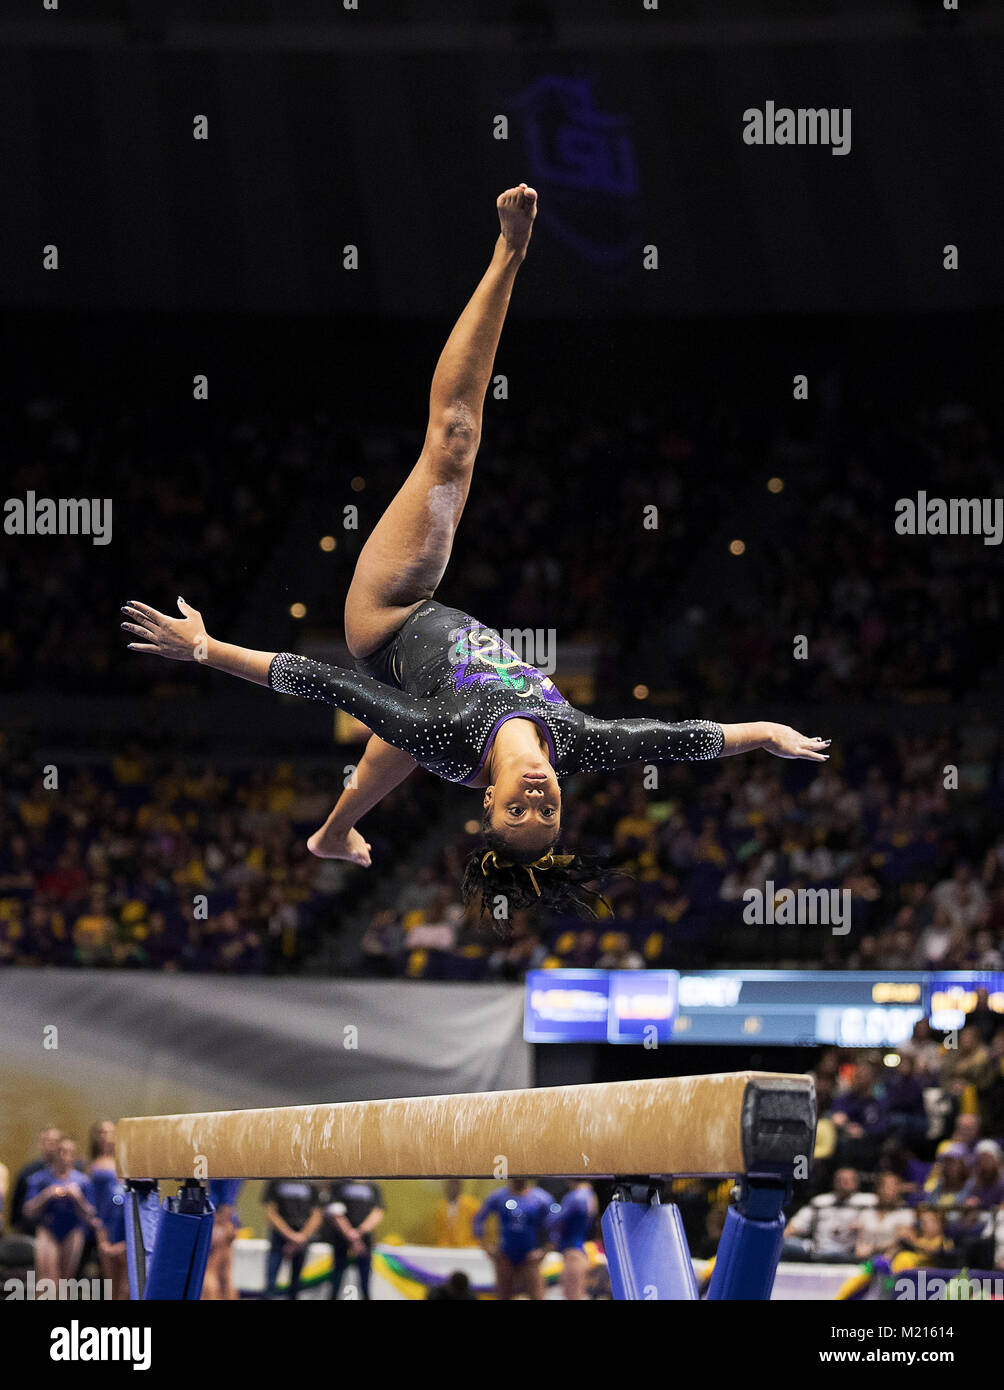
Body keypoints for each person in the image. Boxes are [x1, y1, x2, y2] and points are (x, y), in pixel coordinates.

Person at [120, 184, 830, 925]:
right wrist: (766, 735)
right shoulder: (577, 746)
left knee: (454, 441)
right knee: (386, 760)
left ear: (487, 801)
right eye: (545, 808)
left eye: (515, 809)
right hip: (429, 690)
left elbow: (321, 681)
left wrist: (204, 649)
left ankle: (508, 254)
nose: (534, 795)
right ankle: (331, 834)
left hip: (390, 618)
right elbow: (681, 738)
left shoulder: (449, 738)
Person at [22, 1137, 96, 1285]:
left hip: (73, 1231)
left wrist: (78, 1198)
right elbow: (28, 1211)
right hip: (48, 1229)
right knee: (47, 1280)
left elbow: (90, 1214)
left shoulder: (82, 1181)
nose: (65, 1156)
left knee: (65, 1281)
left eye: (69, 1152)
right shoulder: (40, 1178)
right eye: (61, 1151)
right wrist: (46, 1195)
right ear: (55, 1152)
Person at [473, 1177, 554, 1300]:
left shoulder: (541, 1198)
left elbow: (556, 1224)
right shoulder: (499, 1196)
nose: (518, 1179)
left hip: (530, 1258)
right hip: (505, 1256)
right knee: (504, 1295)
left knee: (537, 1294)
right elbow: (479, 1219)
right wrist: (486, 1247)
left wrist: (545, 1250)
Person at [781, 1167, 874, 1263]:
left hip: (847, 1252)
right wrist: (780, 1238)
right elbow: (796, 1225)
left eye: (848, 1180)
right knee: (781, 1244)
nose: (844, 1183)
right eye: (840, 1180)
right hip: (817, 1249)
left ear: (856, 1183)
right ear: (834, 1182)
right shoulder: (820, 1201)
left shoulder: (868, 1202)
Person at [87, 1120, 129, 1300]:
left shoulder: (126, 1160)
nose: (106, 1137)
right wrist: (100, 1234)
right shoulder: (92, 1165)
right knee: (112, 1283)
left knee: (127, 1286)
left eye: (110, 1132)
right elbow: (93, 1204)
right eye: (101, 1132)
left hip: (125, 1222)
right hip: (106, 1225)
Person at [262, 1178, 323, 1300]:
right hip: (279, 1237)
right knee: (270, 1283)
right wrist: (290, 1235)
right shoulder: (276, 1181)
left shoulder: (312, 1183)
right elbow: (271, 1213)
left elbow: (317, 1214)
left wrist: (302, 1236)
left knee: (296, 1284)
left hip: (302, 1237)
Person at [323, 1179, 384, 1300]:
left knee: (365, 1280)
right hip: (341, 1237)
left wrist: (359, 1232)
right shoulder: (339, 1184)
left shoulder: (373, 1185)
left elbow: (378, 1211)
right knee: (337, 1277)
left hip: (364, 1239)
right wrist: (350, 1233)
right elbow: (335, 1212)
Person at [547, 1181, 598, 1301]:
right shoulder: (589, 1195)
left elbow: (556, 1221)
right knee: (575, 1293)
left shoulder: (576, 1197)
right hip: (578, 1250)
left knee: (572, 1294)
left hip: (573, 1252)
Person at [9, 1128, 61, 1235]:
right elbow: (17, 1207)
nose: (52, 1147)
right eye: (48, 1141)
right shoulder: (28, 1173)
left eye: (56, 1142)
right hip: (32, 1231)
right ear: (40, 1145)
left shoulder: (76, 1172)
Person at [202, 1179, 243, 1300]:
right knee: (226, 1274)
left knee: (209, 1272)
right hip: (230, 1221)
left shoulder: (226, 1171)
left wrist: (219, 1224)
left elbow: (227, 1203)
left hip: (221, 1221)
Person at [432, 1179, 480, 1247]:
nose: (451, 1188)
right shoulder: (440, 1209)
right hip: (448, 1251)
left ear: (460, 1187)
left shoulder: (472, 1205)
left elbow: (480, 1230)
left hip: (470, 1248)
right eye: (448, 1185)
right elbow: (440, 1235)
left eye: (455, 1184)